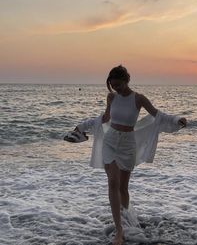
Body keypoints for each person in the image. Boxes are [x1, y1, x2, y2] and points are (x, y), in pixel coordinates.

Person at [75, 65, 186, 245]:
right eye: (112, 85)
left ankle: (126, 219)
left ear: (127, 80)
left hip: (127, 144)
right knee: (112, 183)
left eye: (118, 85)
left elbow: (157, 115)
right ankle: (119, 230)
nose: (115, 89)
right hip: (110, 141)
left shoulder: (139, 99)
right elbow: (104, 119)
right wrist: (81, 127)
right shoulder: (111, 97)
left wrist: (176, 119)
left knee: (123, 188)